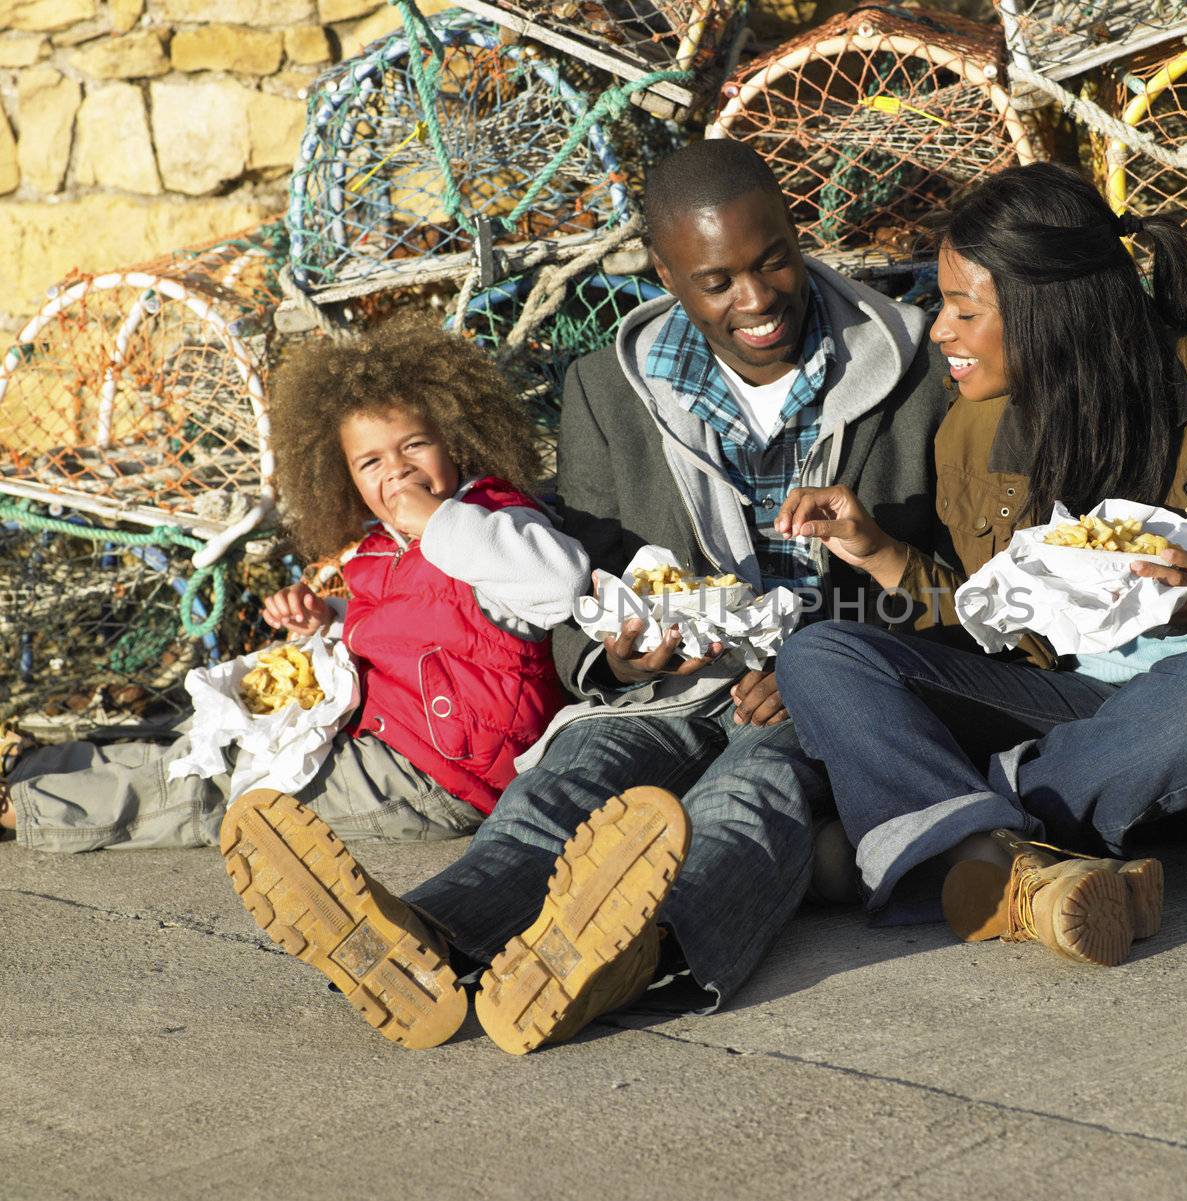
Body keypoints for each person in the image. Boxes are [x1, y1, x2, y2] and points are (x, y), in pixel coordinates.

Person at [221, 139, 950, 1052]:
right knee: (563, 789)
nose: (756, 300)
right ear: (667, 275)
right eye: (716, 281)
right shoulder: (608, 390)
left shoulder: (912, 376)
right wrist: (611, 657)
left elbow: (944, 585)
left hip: (827, 690)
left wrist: (825, 659)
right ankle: (423, 942)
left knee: (749, 800)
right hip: (666, 680)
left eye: (771, 263)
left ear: (797, 239)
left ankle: (633, 956)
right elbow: (578, 577)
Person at [775, 162, 1187, 967]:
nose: (939, 330)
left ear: (1046, 309)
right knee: (821, 652)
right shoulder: (970, 432)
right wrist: (876, 551)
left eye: (965, 309)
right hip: (1063, 704)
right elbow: (987, 620)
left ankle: (957, 832)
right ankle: (1009, 856)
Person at [0, 316, 588, 851]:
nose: (399, 470)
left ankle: (26, 808)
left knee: (220, 786)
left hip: (436, 777)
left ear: (455, 441)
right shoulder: (383, 545)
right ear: (345, 477)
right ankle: (39, 767)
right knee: (210, 725)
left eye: (415, 445)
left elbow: (559, 582)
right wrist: (330, 617)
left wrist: (438, 521)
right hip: (387, 734)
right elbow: (411, 622)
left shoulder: (495, 521)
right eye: (371, 463)